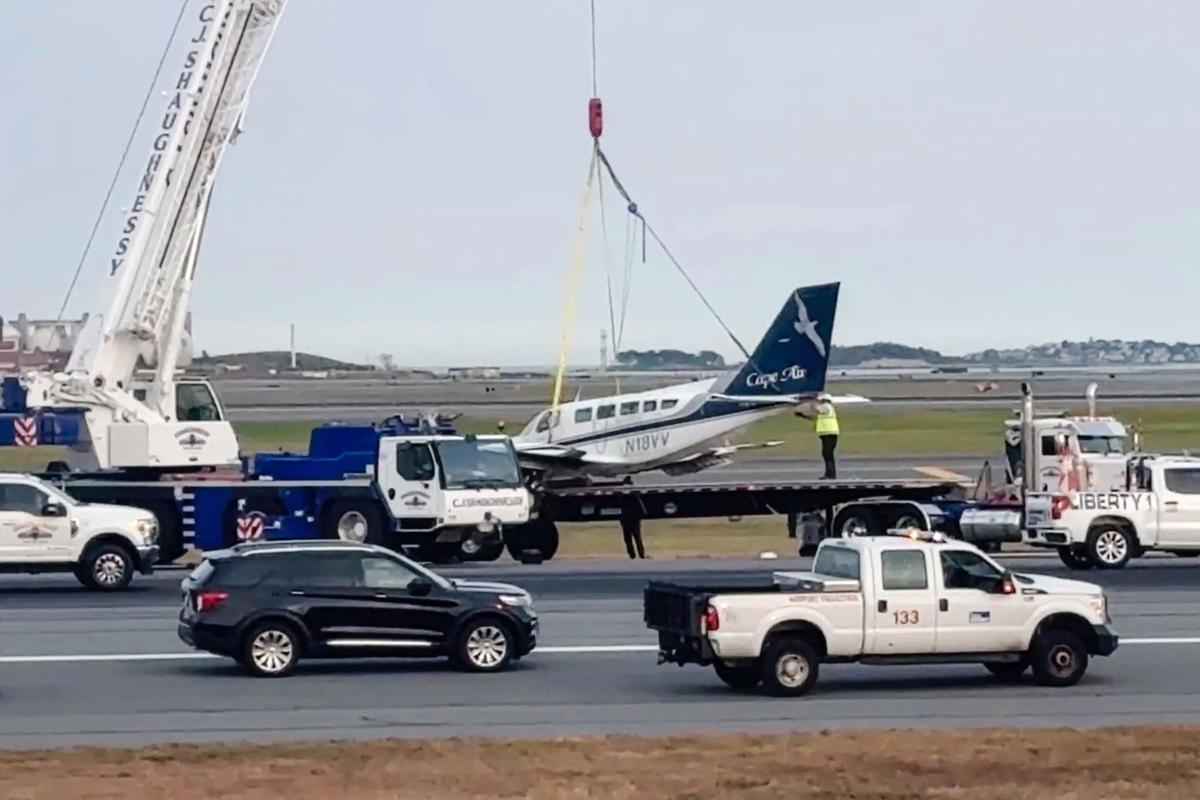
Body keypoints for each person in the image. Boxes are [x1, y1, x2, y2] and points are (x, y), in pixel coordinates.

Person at [797, 393, 839, 479]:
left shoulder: (826, 406)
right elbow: (815, 418)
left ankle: (830, 475)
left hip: (829, 433)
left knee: (827, 454)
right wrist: (803, 416)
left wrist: (812, 401)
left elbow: (815, 409)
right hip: (828, 434)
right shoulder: (827, 408)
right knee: (827, 454)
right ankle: (830, 474)